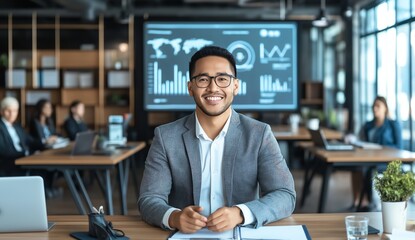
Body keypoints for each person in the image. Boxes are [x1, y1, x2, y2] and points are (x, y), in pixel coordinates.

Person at [138, 46, 296, 233]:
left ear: (235, 86)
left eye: (222, 79)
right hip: (185, 236)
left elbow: (285, 195)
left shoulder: (259, 134)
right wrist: (174, 217)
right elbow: (149, 199)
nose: (213, 88)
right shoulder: (166, 137)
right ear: (190, 87)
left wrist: (240, 213)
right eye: (203, 79)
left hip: (241, 233)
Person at [352, 96, 402, 210]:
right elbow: (361, 141)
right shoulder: (368, 125)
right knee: (356, 168)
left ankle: (371, 203)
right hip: (369, 158)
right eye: (374, 106)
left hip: (387, 160)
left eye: (378, 106)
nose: (375, 108)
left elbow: (399, 147)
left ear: (385, 108)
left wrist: (381, 148)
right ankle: (359, 202)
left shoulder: (393, 125)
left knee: (371, 170)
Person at [0, 96, 42, 176]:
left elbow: (30, 141)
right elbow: (3, 150)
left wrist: (45, 142)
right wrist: (26, 153)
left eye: (15, 111)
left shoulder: (17, 126)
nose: (12, 114)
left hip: (23, 158)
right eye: (8, 110)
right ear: (1, 111)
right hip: (9, 163)